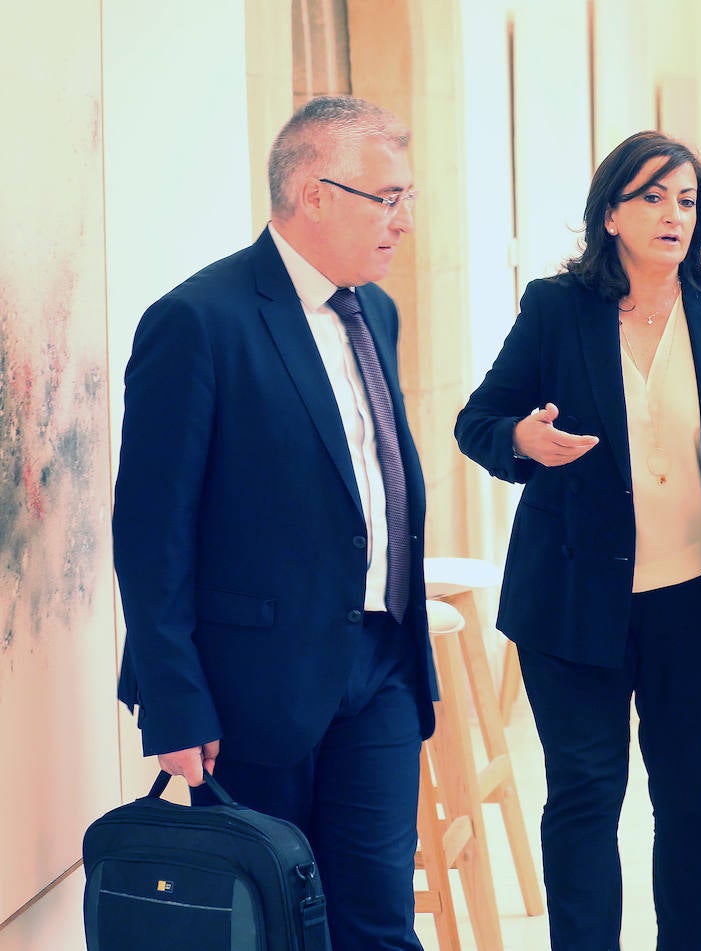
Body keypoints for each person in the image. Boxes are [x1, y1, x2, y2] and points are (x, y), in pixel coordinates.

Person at [455, 130, 701, 951]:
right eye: (651, 196)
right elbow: (478, 420)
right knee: (583, 796)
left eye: (686, 201)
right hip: (573, 601)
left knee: (690, 806)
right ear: (610, 213)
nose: (672, 215)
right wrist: (523, 442)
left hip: (700, 603)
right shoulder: (556, 308)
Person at [112, 96, 436, 951]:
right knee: (273, 930)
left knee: (379, 922)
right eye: (387, 197)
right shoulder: (198, 320)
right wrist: (173, 703)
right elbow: (151, 534)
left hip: (381, 669)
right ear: (315, 195)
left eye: (406, 197)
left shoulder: (377, 314)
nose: (403, 220)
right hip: (254, 685)